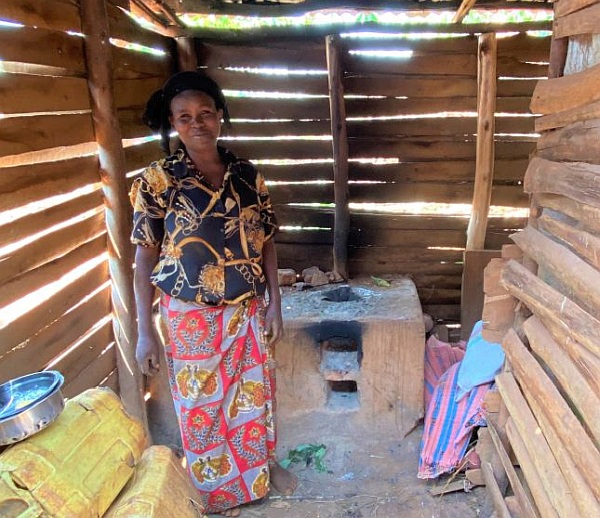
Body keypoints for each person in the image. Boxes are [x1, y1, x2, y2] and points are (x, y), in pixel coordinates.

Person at [130, 71, 297, 516]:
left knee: (253, 395)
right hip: (189, 314)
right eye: (184, 117)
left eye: (205, 113)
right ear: (172, 123)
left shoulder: (247, 176)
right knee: (200, 402)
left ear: (220, 115)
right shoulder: (159, 180)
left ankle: (259, 472)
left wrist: (275, 305)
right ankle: (216, 494)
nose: (197, 123)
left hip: (246, 309)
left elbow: (267, 241)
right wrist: (145, 330)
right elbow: (145, 256)